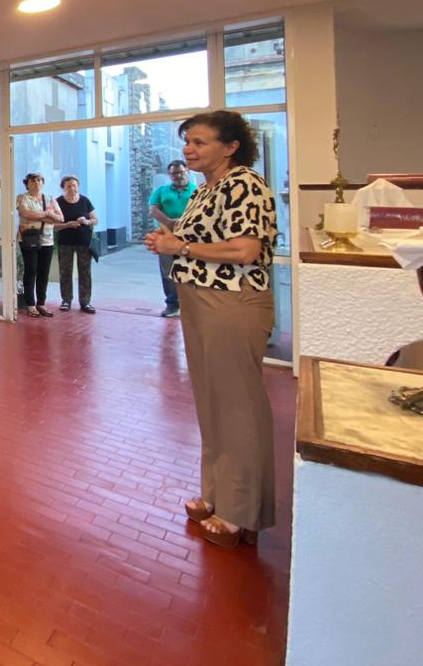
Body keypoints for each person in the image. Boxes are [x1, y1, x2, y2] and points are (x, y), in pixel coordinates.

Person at [143, 111, 277, 549]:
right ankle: (218, 493)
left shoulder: (245, 184)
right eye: (187, 141)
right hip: (200, 303)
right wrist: (167, 238)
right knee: (211, 402)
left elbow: (244, 248)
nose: (189, 149)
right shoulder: (206, 190)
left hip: (232, 302)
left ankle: (241, 511)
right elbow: (195, 237)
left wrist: (178, 244)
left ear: (231, 146)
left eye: (199, 142)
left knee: (237, 406)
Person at [148, 159, 197, 318]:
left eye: (181, 172)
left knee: (191, 270)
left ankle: (191, 305)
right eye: (174, 173)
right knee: (168, 272)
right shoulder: (161, 191)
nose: (177, 176)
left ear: (187, 172)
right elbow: (153, 210)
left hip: (190, 238)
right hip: (165, 237)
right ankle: (172, 305)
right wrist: (169, 222)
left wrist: (183, 223)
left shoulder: (197, 191)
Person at [16, 173, 62, 317]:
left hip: (47, 240)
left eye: (39, 180)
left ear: (43, 183)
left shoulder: (50, 198)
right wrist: (47, 214)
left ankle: (41, 303)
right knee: (31, 271)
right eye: (33, 181)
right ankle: (30, 305)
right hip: (28, 239)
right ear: (27, 184)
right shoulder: (22, 198)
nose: (36, 183)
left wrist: (48, 216)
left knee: (44, 272)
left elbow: (61, 218)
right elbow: (26, 213)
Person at [56, 175, 98, 314]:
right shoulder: (58, 202)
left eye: (74, 185)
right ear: (63, 187)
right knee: (65, 272)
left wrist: (87, 221)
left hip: (83, 242)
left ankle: (85, 302)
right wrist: (67, 224)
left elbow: (95, 219)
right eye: (68, 186)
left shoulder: (85, 200)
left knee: (85, 272)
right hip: (65, 242)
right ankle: (66, 300)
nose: (72, 188)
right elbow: (52, 225)